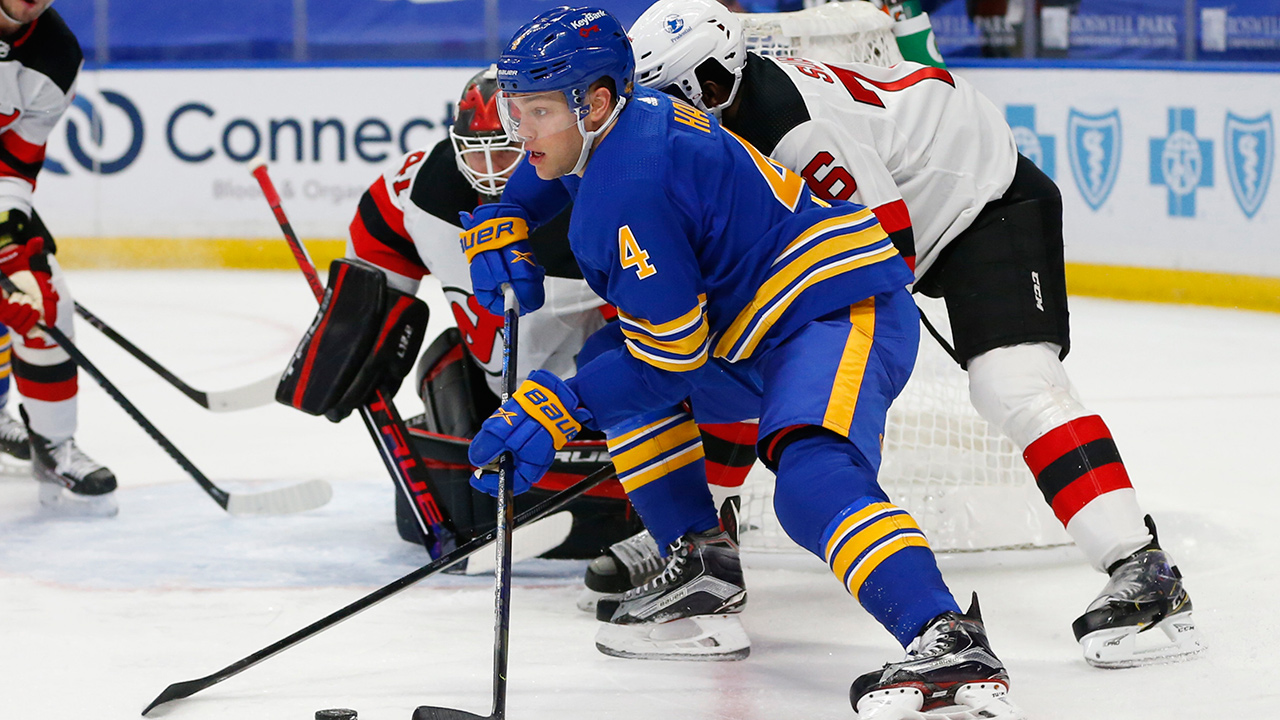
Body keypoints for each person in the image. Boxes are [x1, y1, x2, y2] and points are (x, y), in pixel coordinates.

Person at [462, 7, 1025, 717]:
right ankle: (702, 562)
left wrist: (562, 405)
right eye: (517, 110)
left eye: (537, 110)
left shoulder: (627, 191)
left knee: (809, 477)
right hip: (759, 324)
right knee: (615, 358)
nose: (522, 133)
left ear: (597, 100)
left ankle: (946, 637)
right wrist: (507, 211)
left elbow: (670, 363)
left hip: (834, 311)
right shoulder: (618, 124)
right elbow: (557, 167)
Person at [627, 0, 1201, 669]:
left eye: (693, 91)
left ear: (722, 75)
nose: (679, 109)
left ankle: (1143, 565)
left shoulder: (792, 128)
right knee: (739, 355)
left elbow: (884, 249)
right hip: (915, 193)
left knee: (1010, 380)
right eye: (661, 96)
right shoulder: (714, 129)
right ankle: (699, 545)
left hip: (981, 197)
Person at [339, 66, 755, 559]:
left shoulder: (613, 196)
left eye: (507, 147)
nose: (492, 167)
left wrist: (719, 485)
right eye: (478, 149)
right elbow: (380, 226)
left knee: (664, 364)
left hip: (596, 408)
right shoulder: (433, 185)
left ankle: (701, 519)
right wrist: (354, 319)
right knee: (444, 361)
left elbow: (683, 349)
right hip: (516, 406)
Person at [0, 0, 116, 515]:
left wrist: (8, 248)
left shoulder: (56, 53)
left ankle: (53, 447)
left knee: (41, 296)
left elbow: (14, 167)